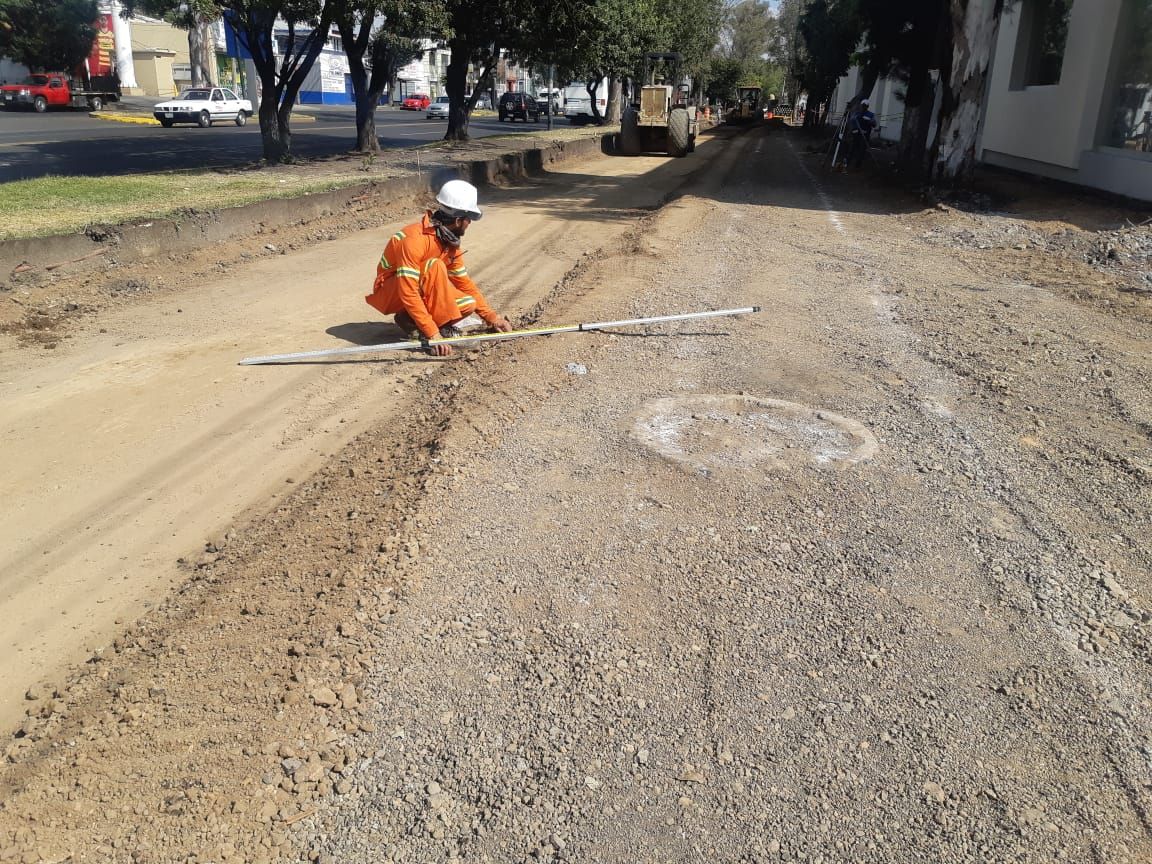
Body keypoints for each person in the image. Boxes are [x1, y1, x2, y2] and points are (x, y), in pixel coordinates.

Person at [366, 180, 513, 357]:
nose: (470, 224)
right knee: (434, 265)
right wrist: (432, 333)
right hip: (391, 292)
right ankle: (433, 330)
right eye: (469, 219)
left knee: (468, 304)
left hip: (414, 290)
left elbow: (463, 283)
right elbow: (408, 291)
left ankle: (410, 320)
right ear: (459, 220)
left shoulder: (449, 243)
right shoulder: (415, 240)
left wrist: (492, 318)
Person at [845, 98, 876, 170]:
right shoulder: (856, 113)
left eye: (865, 106)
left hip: (865, 135)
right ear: (861, 105)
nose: (864, 107)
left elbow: (874, 124)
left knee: (862, 151)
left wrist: (869, 122)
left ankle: (857, 166)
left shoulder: (871, 114)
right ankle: (847, 163)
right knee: (852, 148)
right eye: (863, 105)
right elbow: (852, 121)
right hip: (856, 134)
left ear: (867, 106)